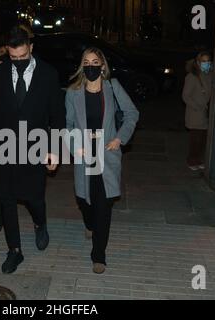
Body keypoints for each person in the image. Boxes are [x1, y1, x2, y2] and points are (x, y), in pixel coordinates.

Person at [0, 26, 65, 274]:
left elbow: (57, 116)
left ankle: (40, 223)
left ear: (31, 49)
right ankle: (14, 250)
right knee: (6, 198)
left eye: (22, 57)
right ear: (8, 52)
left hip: (36, 144)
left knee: (33, 197)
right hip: (3, 145)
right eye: (13, 58)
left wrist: (55, 149)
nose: (17, 62)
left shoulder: (48, 74)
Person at [65, 48, 139, 274]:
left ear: (103, 66)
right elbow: (67, 124)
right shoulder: (73, 92)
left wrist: (119, 138)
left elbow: (132, 113)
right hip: (84, 153)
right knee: (86, 201)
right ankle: (89, 223)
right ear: (81, 65)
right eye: (86, 62)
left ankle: (99, 255)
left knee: (103, 204)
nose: (90, 66)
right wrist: (74, 144)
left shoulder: (112, 87)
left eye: (95, 62)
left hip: (106, 153)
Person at [182, 52, 213, 171]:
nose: (207, 64)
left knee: (202, 139)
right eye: (204, 62)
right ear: (198, 63)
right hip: (195, 113)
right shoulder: (192, 77)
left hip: (204, 113)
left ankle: (198, 159)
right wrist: (197, 106)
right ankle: (191, 160)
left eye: (208, 62)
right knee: (195, 139)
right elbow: (185, 96)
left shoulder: (208, 75)